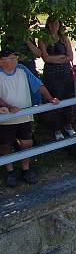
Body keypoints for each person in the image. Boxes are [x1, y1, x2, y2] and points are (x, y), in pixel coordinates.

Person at [0, 47, 60, 187]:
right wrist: (9, 107)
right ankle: (10, 171)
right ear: (1, 62)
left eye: (15, 57)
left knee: (27, 143)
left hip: (25, 115)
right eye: (11, 58)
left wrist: (50, 98)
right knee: (5, 145)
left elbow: (38, 85)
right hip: (6, 118)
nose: (15, 60)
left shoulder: (22, 70)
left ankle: (26, 169)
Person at [38, 17, 76, 141]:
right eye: (51, 23)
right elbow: (46, 58)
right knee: (54, 98)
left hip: (65, 72)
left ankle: (68, 124)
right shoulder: (43, 40)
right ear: (47, 24)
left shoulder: (64, 38)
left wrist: (57, 59)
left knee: (68, 97)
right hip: (51, 73)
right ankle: (56, 128)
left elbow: (70, 56)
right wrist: (61, 57)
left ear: (60, 24)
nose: (54, 26)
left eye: (56, 23)